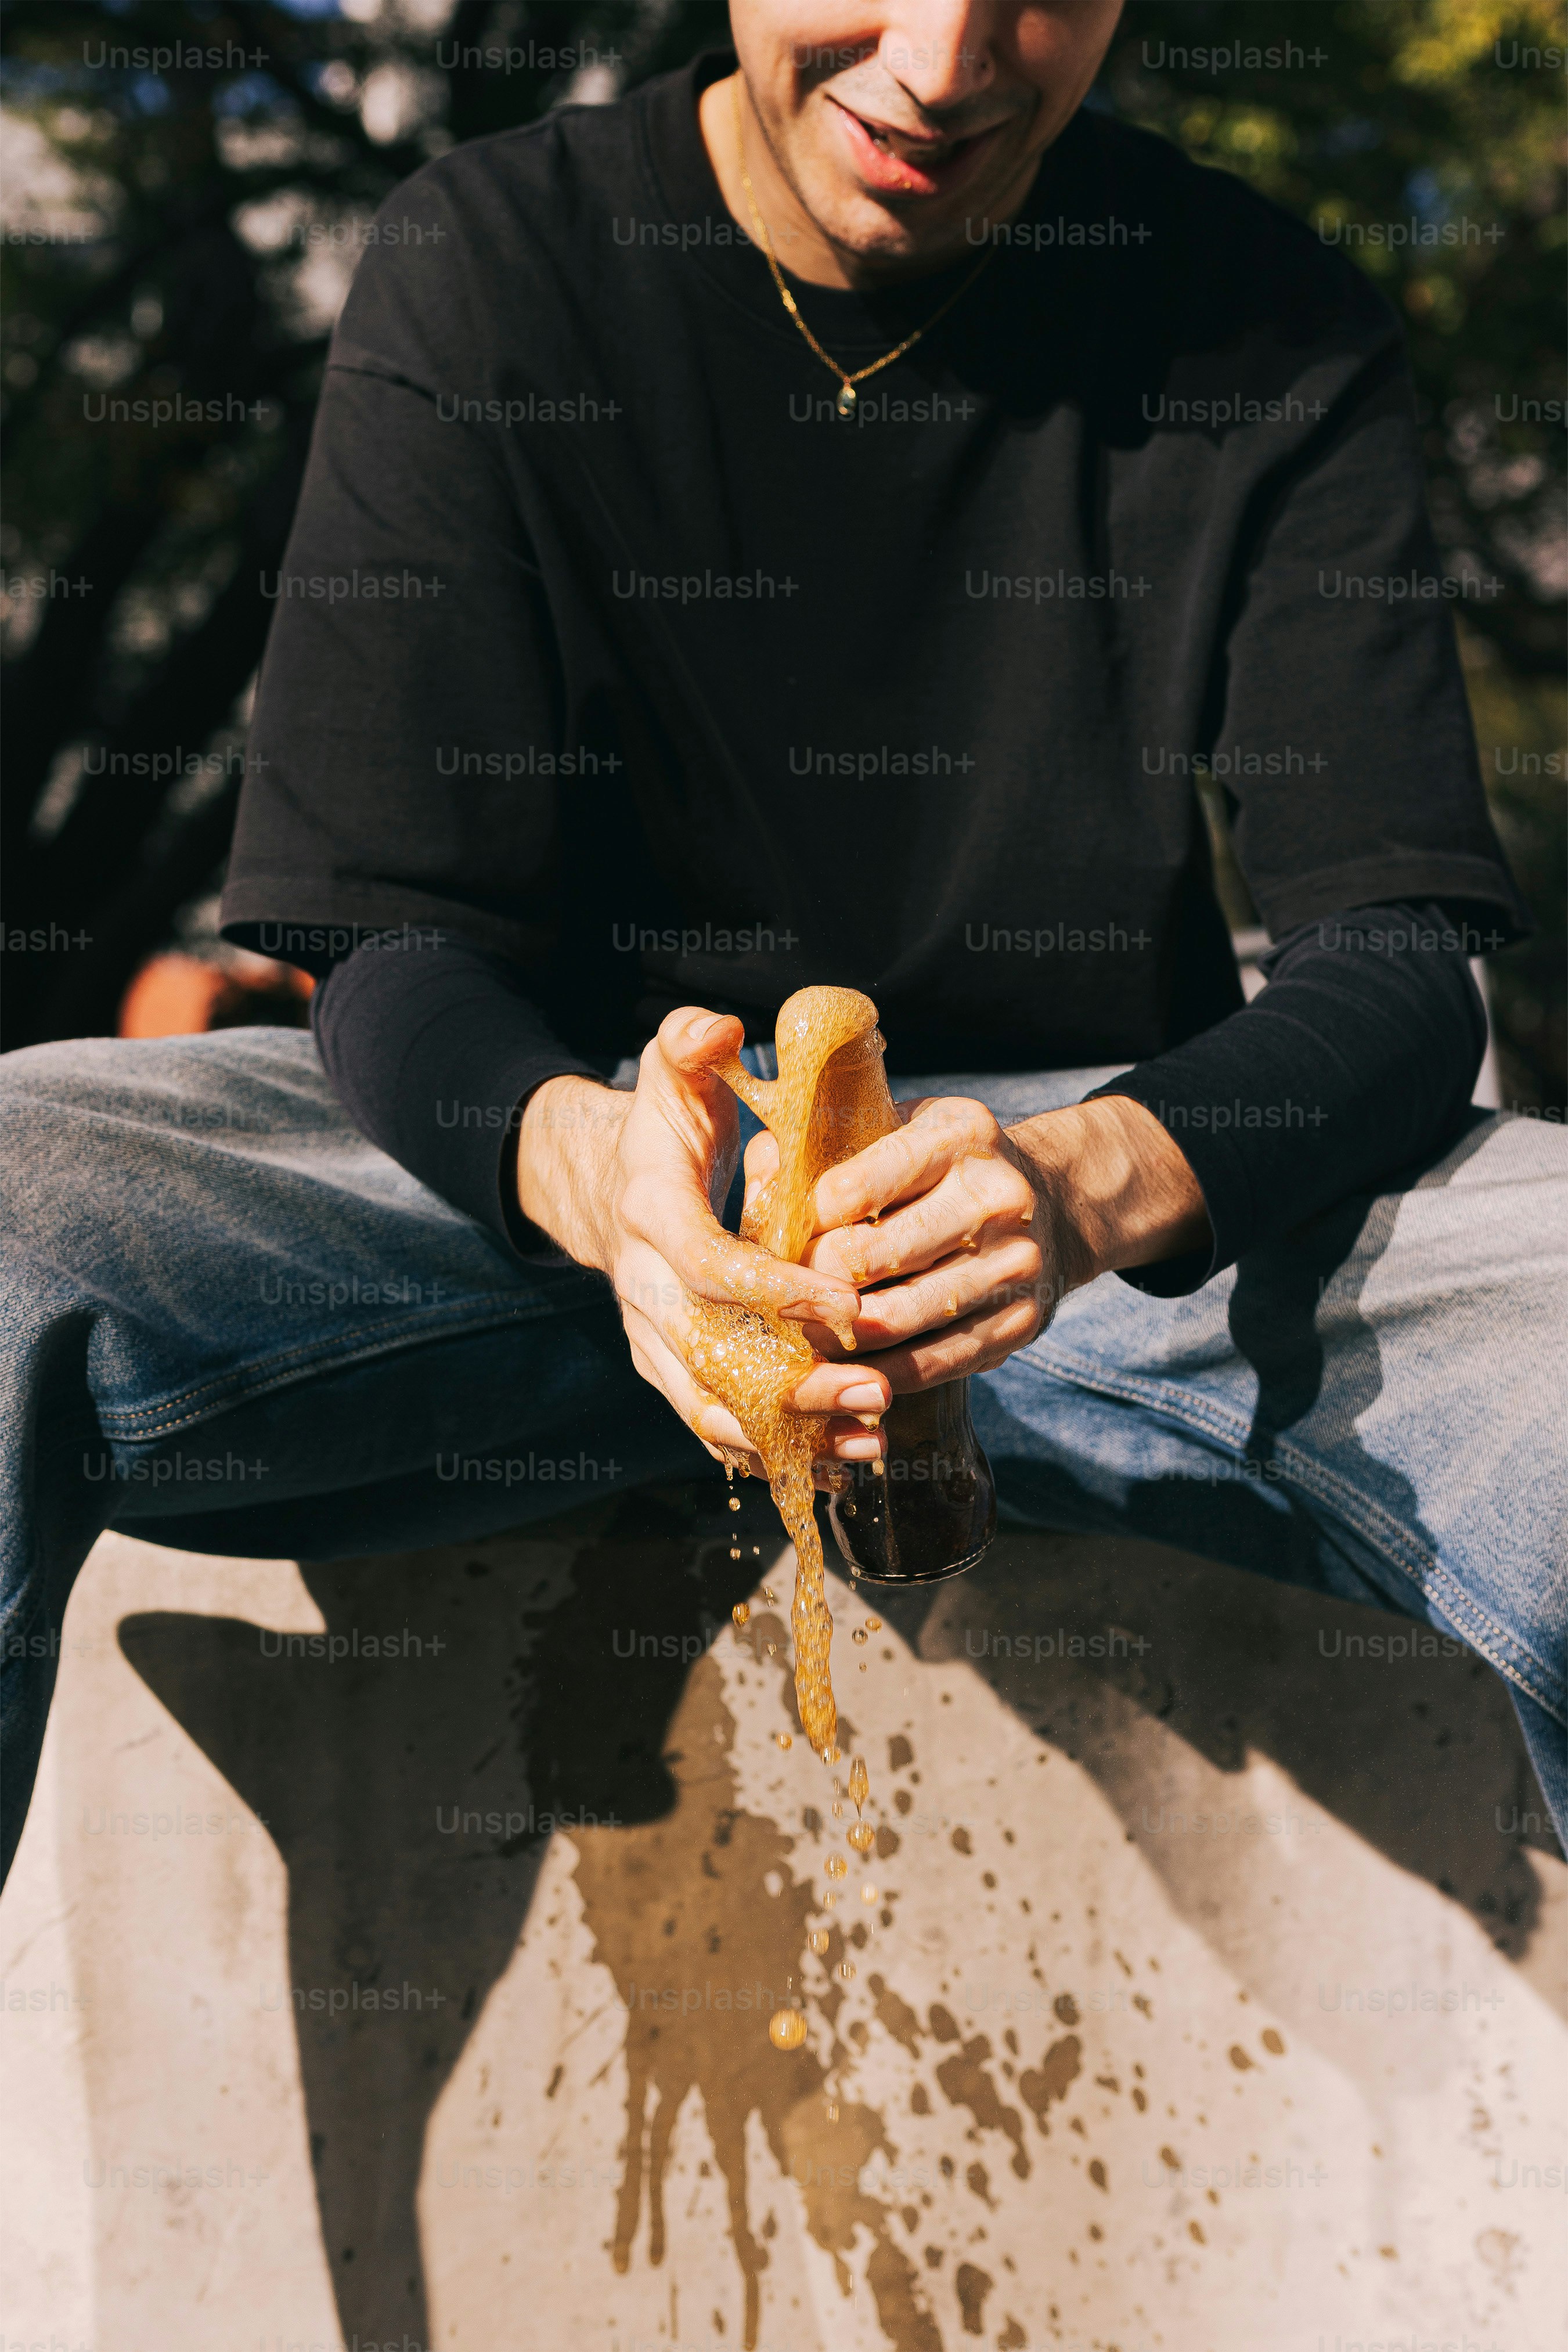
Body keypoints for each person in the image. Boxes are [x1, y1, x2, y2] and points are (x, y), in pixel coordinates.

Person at [2, 0, 1562, 1882]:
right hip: (543, 1188)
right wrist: (593, 1169)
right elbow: (388, 936)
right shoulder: (493, 260)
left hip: (1095, 1234)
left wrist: (1091, 1180)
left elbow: (1395, 956)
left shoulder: (1269, 318)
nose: (942, 61)